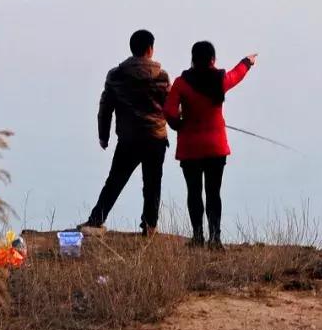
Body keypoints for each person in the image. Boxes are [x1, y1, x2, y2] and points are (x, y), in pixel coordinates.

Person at [163, 41, 257, 246]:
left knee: (194, 193)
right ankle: (215, 238)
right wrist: (247, 62)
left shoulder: (181, 83)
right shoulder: (220, 79)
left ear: (192, 59)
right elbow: (236, 75)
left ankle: (198, 238)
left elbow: (169, 111)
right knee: (214, 193)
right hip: (215, 148)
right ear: (213, 59)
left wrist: (178, 125)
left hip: (190, 149)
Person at [81, 29, 170, 235]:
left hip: (129, 139)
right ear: (150, 49)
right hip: (155, 139)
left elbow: (105, 109)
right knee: (152, 184)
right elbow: (172, 108)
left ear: (132, 49)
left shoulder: (116, 76)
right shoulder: (162, 77)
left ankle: (96, 220)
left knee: (115, 180)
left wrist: (104, 136)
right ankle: (149, 227)